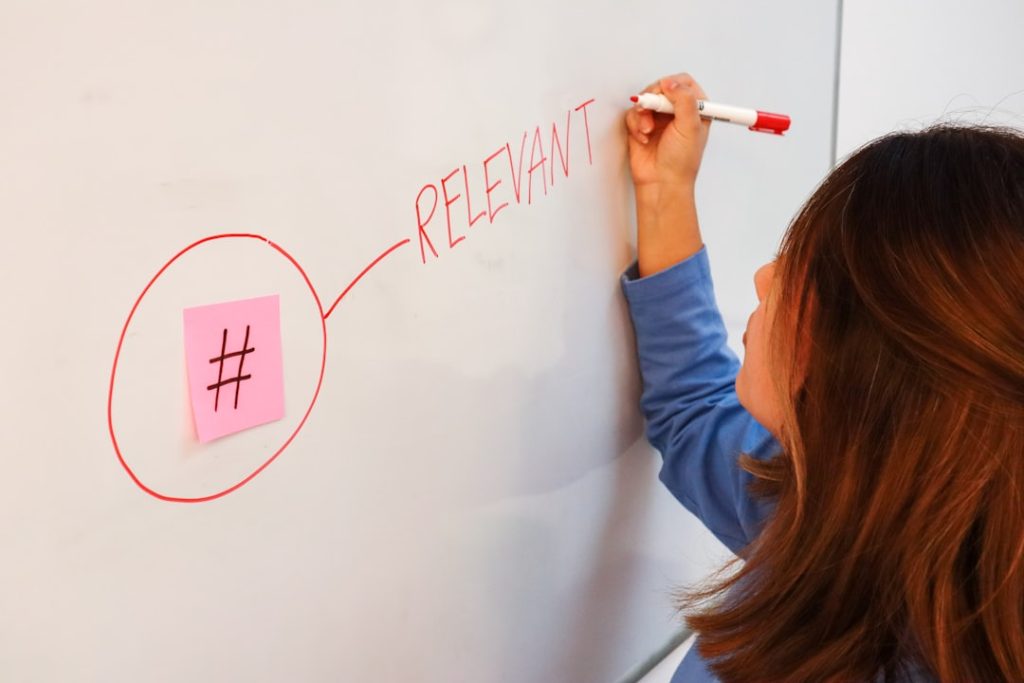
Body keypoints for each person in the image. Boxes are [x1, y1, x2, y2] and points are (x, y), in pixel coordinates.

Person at [620, 72, 1024, 682]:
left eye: (803, 275)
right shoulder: (846, 506)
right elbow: (695, 408)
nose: (764, 277)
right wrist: (664, 191)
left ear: (862, 367)